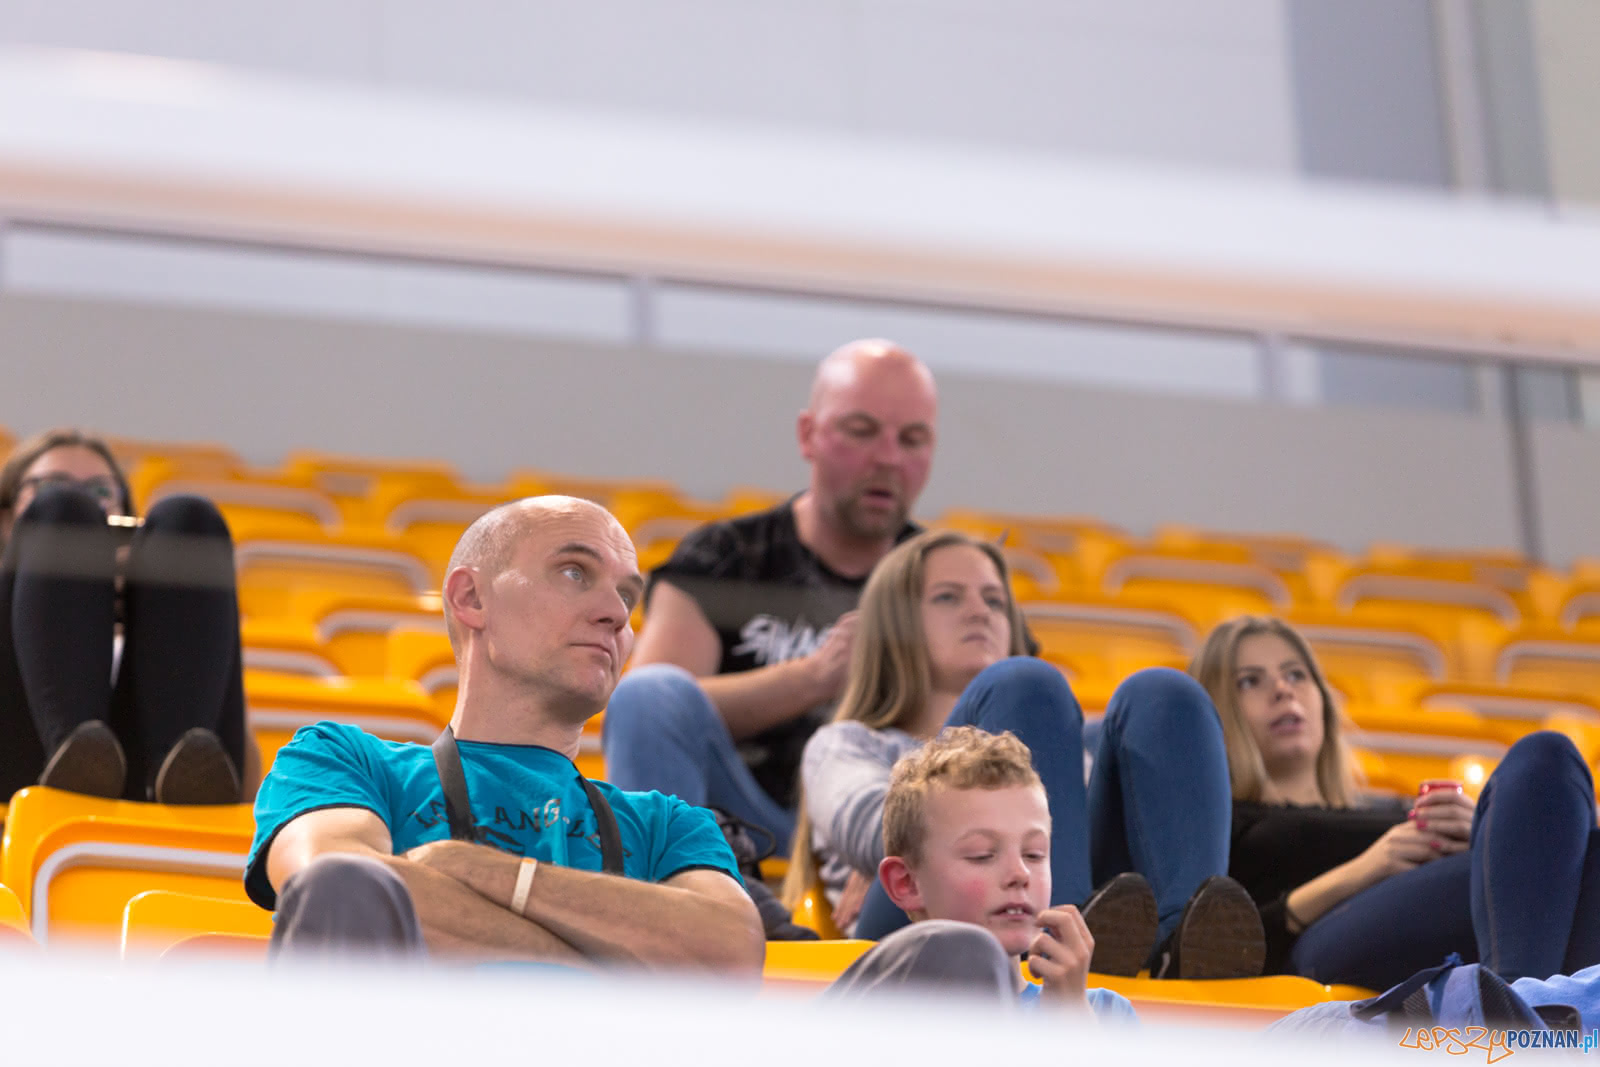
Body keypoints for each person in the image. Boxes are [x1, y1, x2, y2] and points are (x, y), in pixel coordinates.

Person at [247, 496, 766, 973]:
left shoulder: (670, 824)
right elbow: (343, 893)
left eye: (627, 597)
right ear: (471, 598)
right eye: (574, 572)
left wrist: (475, 870)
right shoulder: (343, 760)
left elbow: (731, 950)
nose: (615, 613)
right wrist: (622, 967)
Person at [790, 528, 1265, 980]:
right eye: (948, 597)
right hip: (916, 930)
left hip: (1091, 927)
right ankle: (1052, 933)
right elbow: (887, 836)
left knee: (1166, 694)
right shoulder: (852, 742)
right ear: (892, 626)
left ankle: (1181, 947)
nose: (980, 612)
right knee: (1026, 684)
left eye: (995, 601)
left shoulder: (1075, 744)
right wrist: (898, 843)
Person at [602, 339, 937, 853]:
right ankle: (668, 891)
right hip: (741, 830)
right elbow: (652, 708)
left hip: (895, 837)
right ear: (808, 435)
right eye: (861, 430)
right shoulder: (726, 558)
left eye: (912, 439)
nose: (888, 458)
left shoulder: (951, 582)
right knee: (647, 695)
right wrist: (816, 677)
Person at [1193, 615, 1600, 991]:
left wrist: (1486, 831)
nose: (1283, 690)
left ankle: (1520, 1006)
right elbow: (1214, 945)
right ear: (1213, 715)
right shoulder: (1221, 824)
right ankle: (1520, 1014)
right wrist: (1368, 868)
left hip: (1474, 916)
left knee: (1547, 759)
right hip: (1320, 943)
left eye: (1296, 674)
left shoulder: (1387, 808)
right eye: (1249, 681)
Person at [0, 428, 257, 805]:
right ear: (7, 519)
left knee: (189, 519)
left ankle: (178, 759)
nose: (89, 503)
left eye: (101, 492)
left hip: (149, 790)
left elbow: (249, 787)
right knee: (62, 512)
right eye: (49, 486)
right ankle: (71, 752)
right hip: (18, 778)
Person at [827, 726, 1137, 1018]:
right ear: (907, 883)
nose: (1020, 874)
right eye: (982, 855)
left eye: (1034, 854)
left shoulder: (1104, 1012)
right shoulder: (879, 1018)